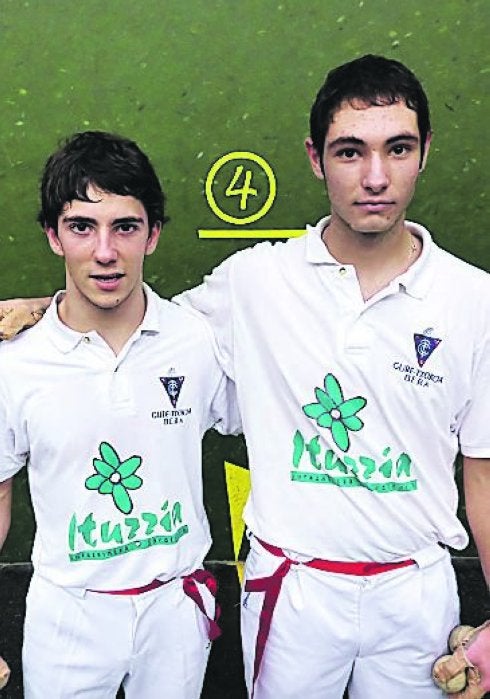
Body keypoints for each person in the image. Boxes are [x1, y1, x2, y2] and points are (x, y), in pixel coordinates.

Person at [1, 55, 489, 698]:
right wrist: (45, 312)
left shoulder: (475, 301)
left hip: (418, 595)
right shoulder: (254, 281)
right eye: (350, 151)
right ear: (316, 158)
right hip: (292, 594)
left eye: (397, 148)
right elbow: (119, 317)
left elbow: (484, 472)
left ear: (425, 151)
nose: (375, 176)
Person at [0, 131, 239, 699]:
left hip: (176, 610)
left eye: (125, 227)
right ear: (53, 236)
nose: (105, 251)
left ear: (153, 234)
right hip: (67, 617)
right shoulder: (15, 361)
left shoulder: (198, 339)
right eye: (82, 227)